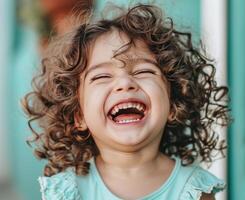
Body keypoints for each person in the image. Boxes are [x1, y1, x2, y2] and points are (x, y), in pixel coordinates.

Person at [22, 4, 230, 200]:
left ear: (173, 103)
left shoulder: (193, 189)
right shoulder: (69, 191)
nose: (125, 83)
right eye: (102, 76)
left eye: (143, 71)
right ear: (79, 115)